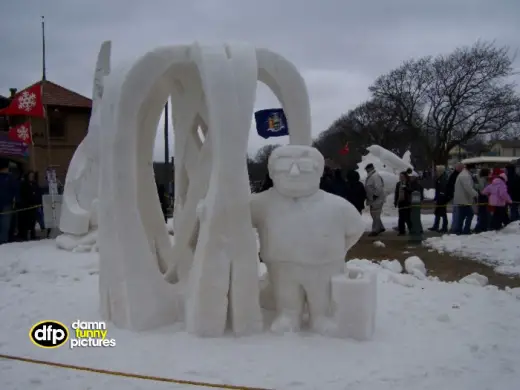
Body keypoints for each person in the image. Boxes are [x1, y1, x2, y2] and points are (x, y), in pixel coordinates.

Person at [452, 163, 478, 235]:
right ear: (471, 168)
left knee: (462, 215)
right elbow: (468, 187)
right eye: (474, 168)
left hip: (462, 199)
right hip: (464, 199)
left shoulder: (464, 174)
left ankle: (459, 230)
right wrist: (475, 194)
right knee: (470, 214)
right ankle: (465, 230)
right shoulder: (465, 175)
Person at [18, 171, 42, 241]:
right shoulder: (24, 184)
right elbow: (24, 195)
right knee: (26, 221)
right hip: (26, 206)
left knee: (33, 221)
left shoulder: (35, 184)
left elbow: (38, 192)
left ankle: (32, 234)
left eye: (33, 175)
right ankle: (24, 235)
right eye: (30, 175)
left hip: (34, 205)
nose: (32, 177)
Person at [0, 158, 19, 244]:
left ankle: (3, 240)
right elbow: (15, 190)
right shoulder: (10, 178)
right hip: (7, 204)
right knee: (5, 224)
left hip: (6, 204)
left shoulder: (10, 178)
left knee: (5, 223)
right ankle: (3, 241)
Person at [364, 163, 385, 236]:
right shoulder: (371, 176)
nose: (366, 170)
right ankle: (381, 227)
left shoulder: (375, 176)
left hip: (376, 199)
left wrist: (374, 196)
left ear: (370, 169)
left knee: (375, 214)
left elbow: (379, 188)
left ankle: (375, 230)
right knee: (374, 214)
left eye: (367, 169)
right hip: (373, 199)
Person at [429, 166, 449, 233]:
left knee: (443, 213)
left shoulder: (443, 178)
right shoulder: (440, 178)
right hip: (440, 198)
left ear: (440, 171)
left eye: (437, 171)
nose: (436, 172)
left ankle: (444, 227)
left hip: (442, 198)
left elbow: (443, 189)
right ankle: (436, 226)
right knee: (437, 212)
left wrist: (441, 197)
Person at [394, 171, 412, 236]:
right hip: (400, 202)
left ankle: (411, 230)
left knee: (408, 217)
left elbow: (411, 191)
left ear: (405, 177)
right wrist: (395, 201)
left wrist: (406, 188)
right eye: (400, 176)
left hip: (407, 202)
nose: (401, 178)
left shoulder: (408, 183)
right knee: (401, 217)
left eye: (402, 176)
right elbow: (396, 193)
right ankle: (402, 231)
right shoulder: (398, 184)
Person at [474, 168, 491, 233]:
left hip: (482, 197)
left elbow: (480, 188)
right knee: (484, 213)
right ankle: (482, 227)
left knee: (482, 213)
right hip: (485, 197)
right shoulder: (486, 179)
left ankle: (480, 227)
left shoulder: (483, 179)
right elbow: (484, 189)